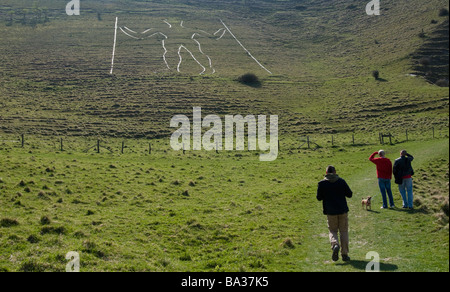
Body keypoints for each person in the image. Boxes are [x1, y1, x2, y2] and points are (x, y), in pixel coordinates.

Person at [317, 165, 353, 262]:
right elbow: (350, 194)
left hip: (330, 211)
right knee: (344, 231)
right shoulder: (341, 181)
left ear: (326, 172)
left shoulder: (322, 183)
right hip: (342, 210)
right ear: (335, 172)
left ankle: (335, 244)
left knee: (332, 231)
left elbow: (319, 197)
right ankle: (344, 254)